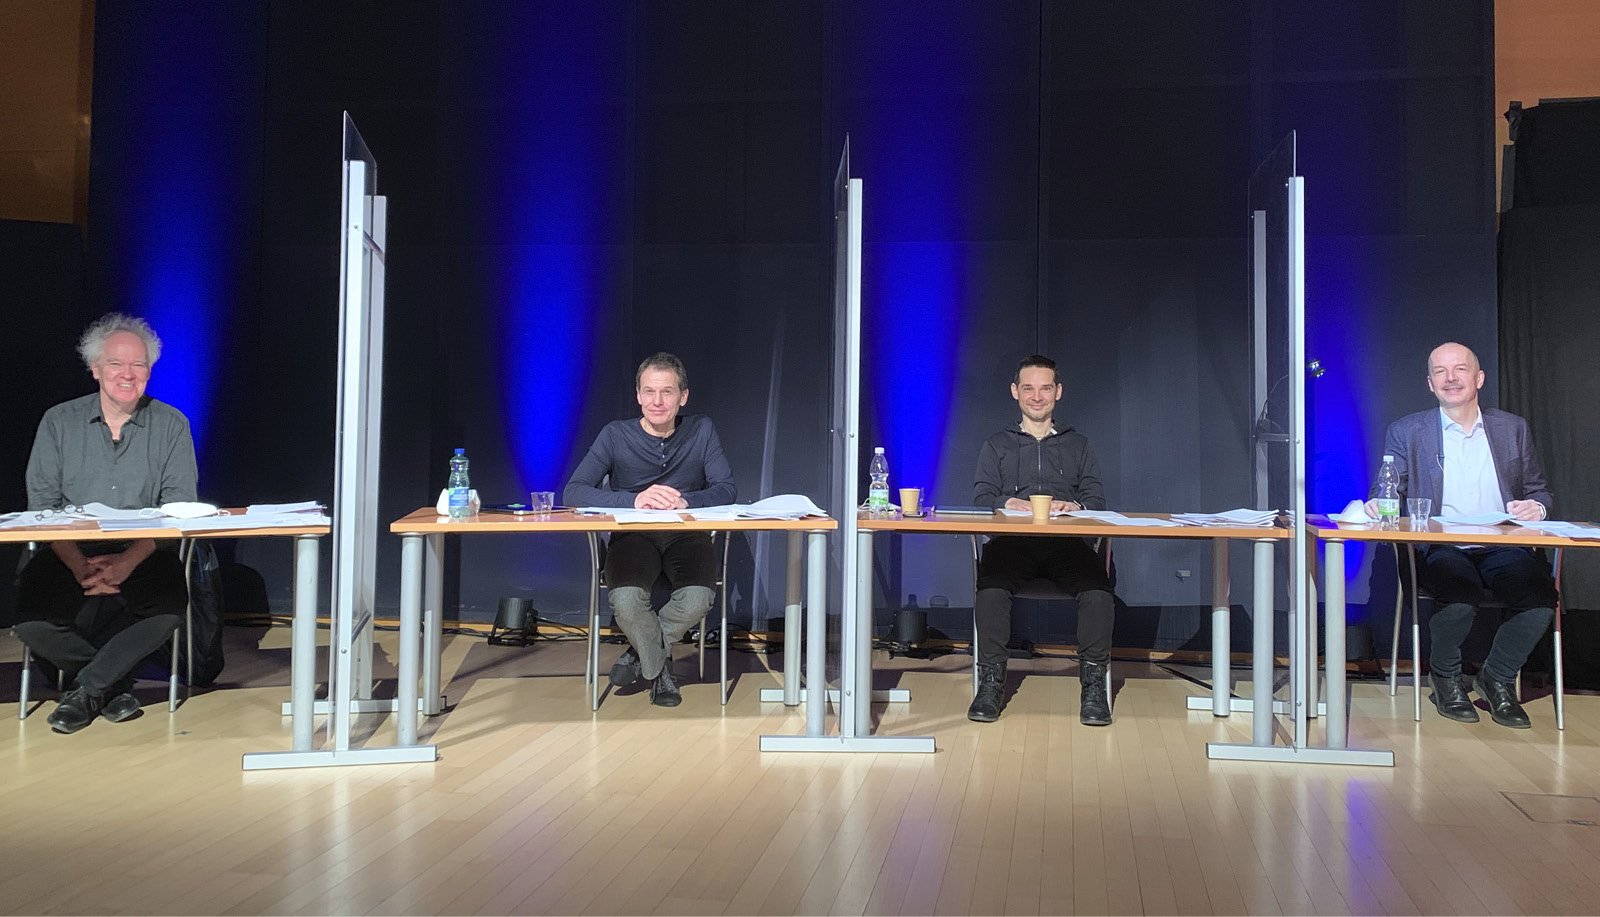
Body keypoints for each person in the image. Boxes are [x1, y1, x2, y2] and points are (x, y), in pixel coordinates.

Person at [15, 313, 197, 733]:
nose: (127, 374)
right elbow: (42, 506)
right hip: (69, 550)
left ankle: (86, 692)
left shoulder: (172, 425)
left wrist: (126, 563)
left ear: (149, 371)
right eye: (116, 363)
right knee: (31, 623)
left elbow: (178, 508)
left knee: (167, 610)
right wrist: (79, 564)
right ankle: (108, 688)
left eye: (138, 365)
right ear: (95, 369)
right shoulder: (58, 422)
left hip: (144, 551)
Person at [1365, 341, 1556, 729]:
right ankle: (1446, 678)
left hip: (1503, 543)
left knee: (1540, 598)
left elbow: (1540, 491)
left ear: (1479, 378)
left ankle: (1496, 678)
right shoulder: (1407, 431)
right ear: (1430, 384)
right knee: (1459, 592)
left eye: (1460, 369)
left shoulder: (1512, 428)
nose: (1450, 378)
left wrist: (1536, 508)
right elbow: (1387, 490)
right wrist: (1378, 504)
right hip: (1442, 545)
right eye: (1440, 371)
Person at [564, 352, 737, 707]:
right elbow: (574, 491)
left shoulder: (701, 429)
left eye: (667, 392)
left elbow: (727, 489)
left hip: (686, 536)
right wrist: (635, 500)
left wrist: (686, 501)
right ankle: (660, 672)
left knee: (698, 599)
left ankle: (639, 654)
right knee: (626, 601)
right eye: (649, 392)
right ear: (638, 395)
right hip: (633, 536)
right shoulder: (615, 435)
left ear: (683, 396)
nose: (657, 401)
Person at [969, 354, 1117, 725]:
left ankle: (1094, 688)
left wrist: (1076, 506)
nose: (1037, 397)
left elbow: (1097, 500)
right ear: (1015, 392)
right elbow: (982, 498)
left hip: (1066, 545)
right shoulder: (996, 445)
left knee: (1098, 591)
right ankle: (989, 684)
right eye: (1029, 388)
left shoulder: (1078, 444)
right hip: (1012, 544)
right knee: (991, 589)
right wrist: (1007, 503)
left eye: (1045, 389)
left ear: (1058, 392)